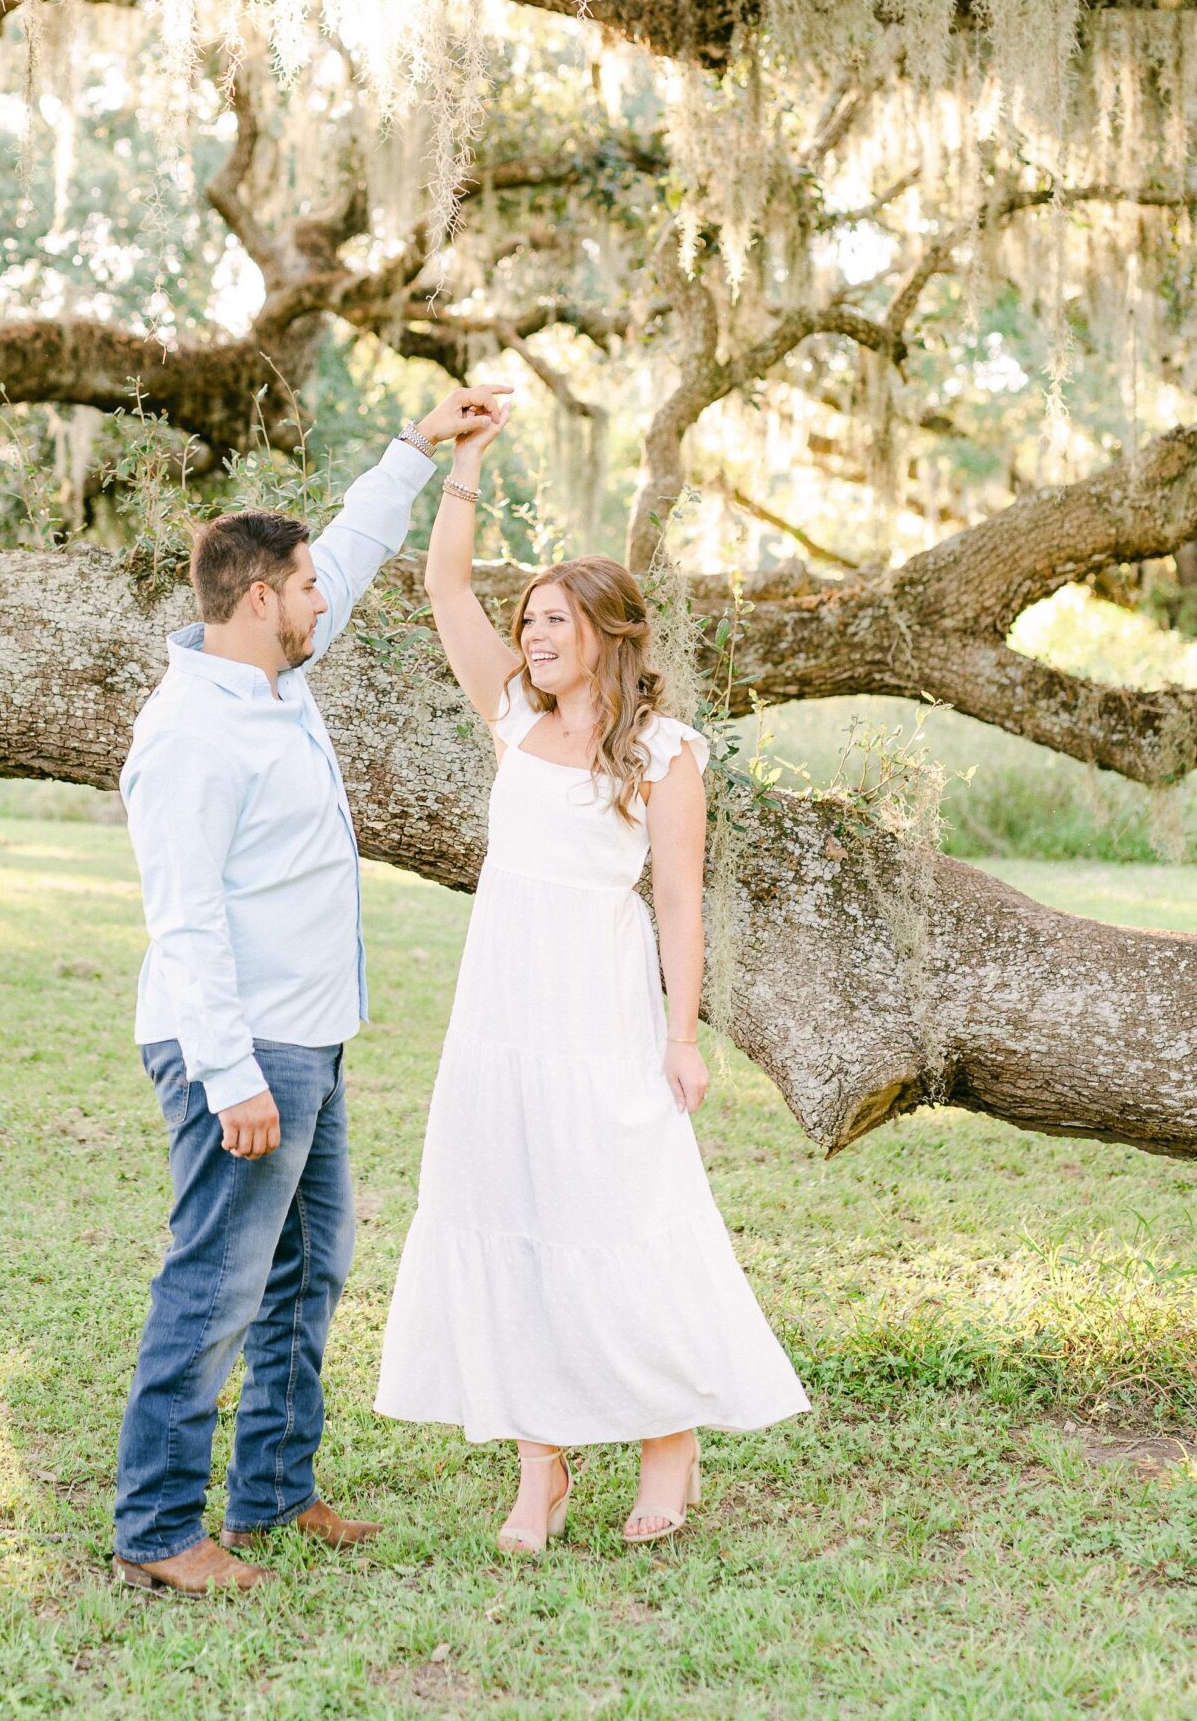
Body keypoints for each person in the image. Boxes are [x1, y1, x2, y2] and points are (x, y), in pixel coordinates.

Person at [375, 406, 809, 1551]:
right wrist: (464, 464)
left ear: (608, 633)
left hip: (600, 1008)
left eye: (553, 620)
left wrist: (681, 1036)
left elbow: (678, 903)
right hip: (499, 1007)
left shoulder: (664, 752)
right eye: (528, 621)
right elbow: (444, 588)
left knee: (617, 1212)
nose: (531, 636)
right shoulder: (511, 715)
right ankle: (540, 1467)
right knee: (509, 1209)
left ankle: (668, 1442)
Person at [112, 384, 511, 1596]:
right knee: (215, 1281)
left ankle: (275, 1493)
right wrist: (230, 1075)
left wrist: (418, 447)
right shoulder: (191, 734)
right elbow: (183, 920)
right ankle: (157, 1529)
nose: (322, 598)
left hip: (312, 1036)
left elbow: (350, 542)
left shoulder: (272, 672)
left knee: (305, 1271)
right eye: (303, 589)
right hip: (241, 1049)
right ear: (256, 600)